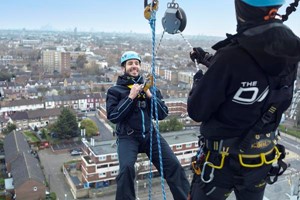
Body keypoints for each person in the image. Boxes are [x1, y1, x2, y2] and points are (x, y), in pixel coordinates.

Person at [187, 0, 300, 200]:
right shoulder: (290, 50)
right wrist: (210, 61)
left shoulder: (231, 56)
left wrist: (200, 81)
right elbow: (259, 77)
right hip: (260, 161)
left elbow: (197, 110)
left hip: (221, 164)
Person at [106, 51, 190, 200]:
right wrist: (130, 97)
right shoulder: (115, 91)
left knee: (174, 166)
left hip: (149, 135)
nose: (134, 66)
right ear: (123, 68)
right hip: (128, 136)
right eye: (130, 64)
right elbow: (113, 116)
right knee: (126, 169)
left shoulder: (150, 89)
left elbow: (163, 113)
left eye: (136, 63)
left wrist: (150, 95)